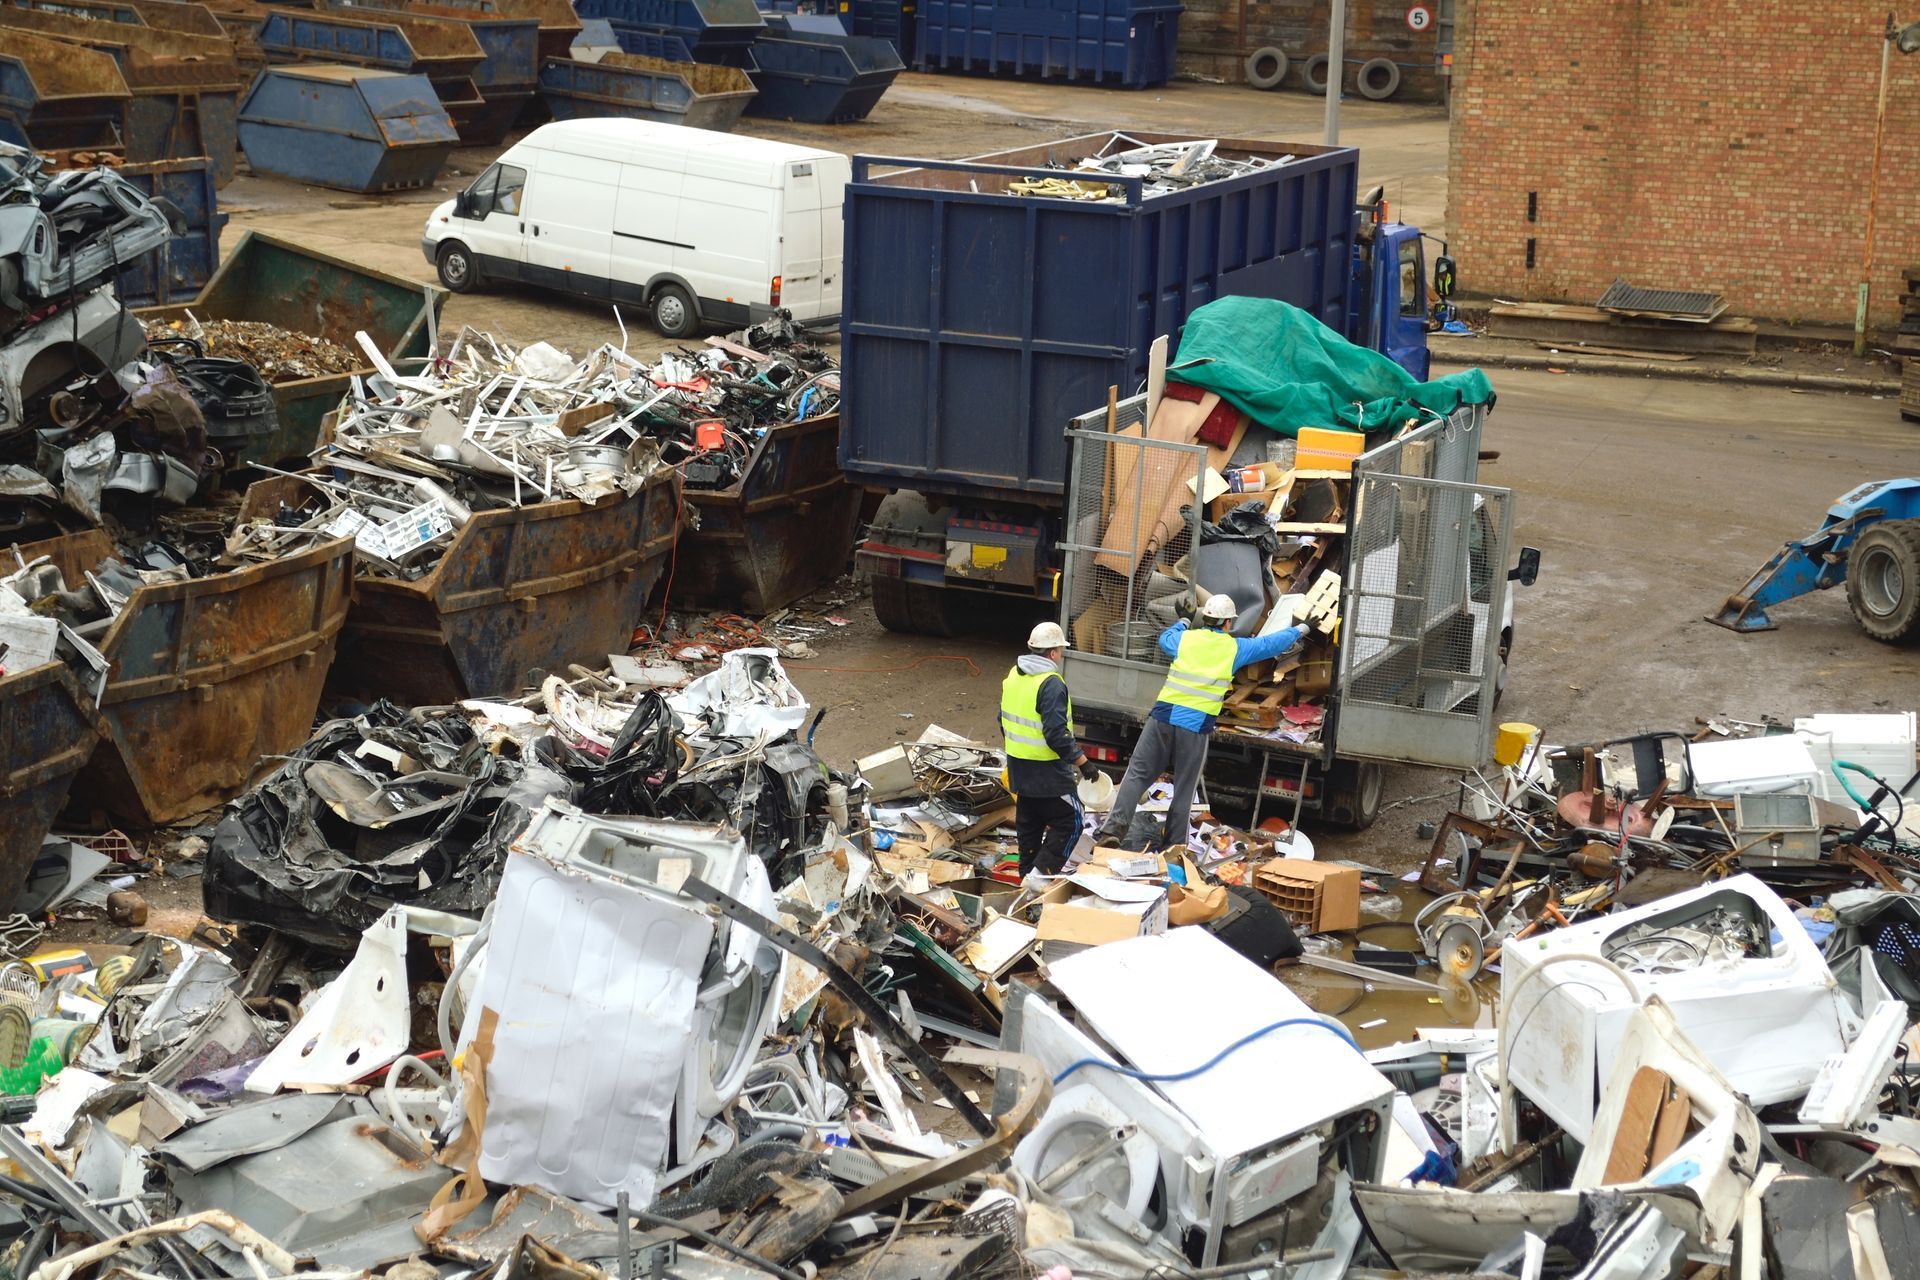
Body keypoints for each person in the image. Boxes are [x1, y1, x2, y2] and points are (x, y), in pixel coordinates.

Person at [1093, 595, 1307, 850]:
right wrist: (1303, 628)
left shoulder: (1184, 639)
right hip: (1194, 726)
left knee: (1136, 776)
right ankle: (1174, 847)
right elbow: (1269, 645)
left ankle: (1112, 831)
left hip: (1162, 717)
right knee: (1184, 787)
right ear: (1227, 623)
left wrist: (1183, 619)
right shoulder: (1234, 648)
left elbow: (1164, 639)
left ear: (1205, 618)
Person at [1000, 620, 1097, 877]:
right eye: (1060, 651)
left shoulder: (1014, 676)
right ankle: (1039, 876)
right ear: (1053, 653)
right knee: (1073, 820)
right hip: (1049, 773)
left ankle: (1026, 882)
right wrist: (1083, 762)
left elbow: (1003, 720)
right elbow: (1056, 733)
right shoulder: (1051, 683)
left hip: (1019, 770)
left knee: (1029, 829)